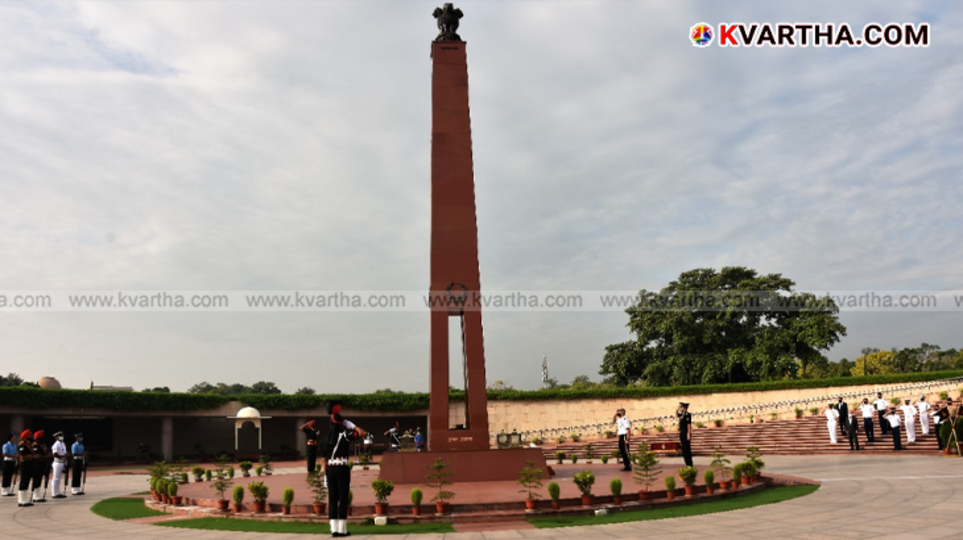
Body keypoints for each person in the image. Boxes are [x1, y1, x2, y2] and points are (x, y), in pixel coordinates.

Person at [321, 401, 368, 538]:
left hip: (330, 470)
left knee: (332, 499)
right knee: (343, 498)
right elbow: (362, 433)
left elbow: (323, 460)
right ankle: (342, 530)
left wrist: (325, 476)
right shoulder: (345, 436)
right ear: (341, 425)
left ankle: (333, 530)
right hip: (342, 469)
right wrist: (349, 424)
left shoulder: (324, 441)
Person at [17, 429, 35, 507]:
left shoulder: (28, 444)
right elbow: (23, 456)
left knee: (27, 481)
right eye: (30, 435)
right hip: (24, 465)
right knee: (24, 481)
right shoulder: (22, 445)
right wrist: (32, 456)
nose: (31, 437)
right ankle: (21, 500)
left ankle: (24, 499)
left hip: (29, 465)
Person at [31, 430, 48, 503]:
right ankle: (35, 495)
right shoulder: (35, 445)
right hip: (37, 464)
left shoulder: (42, 444)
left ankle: (38, 495)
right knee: (36, 479)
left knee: (39, 479)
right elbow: (36, 455)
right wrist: (45, 456)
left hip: (42, 464)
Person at [50, 431, 68, 499]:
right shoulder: (55, 445)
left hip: (62, 462)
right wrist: (63, 456)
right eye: (60, 436)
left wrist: (66, 455)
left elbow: (64, 452)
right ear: (56, 437)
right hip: (57, 462)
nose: (62, 437)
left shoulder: (63, 443)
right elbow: (55, 454)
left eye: (62, 435)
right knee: (56, 478)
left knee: (59, 478)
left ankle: (58, 492)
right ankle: (54, 493)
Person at [678, 401, 693, 467]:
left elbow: (689, 425)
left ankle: (690, 463)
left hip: (686, 433)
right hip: (682, 433)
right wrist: (678, 407)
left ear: (685, 407)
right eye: (682, 407)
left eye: (683, 407)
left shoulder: (688, 415)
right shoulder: (681, 415)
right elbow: (676, 414)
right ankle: (686, 463)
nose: (682, 408)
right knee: (683, 449)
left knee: (687, 449)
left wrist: (689, 434)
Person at [2, 433, 16, 497]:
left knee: (10, 475)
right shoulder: (6, 445)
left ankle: (8, 490)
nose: (14, 438)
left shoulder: (14, 445)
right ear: (10, 438)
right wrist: (13, 456)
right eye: (13, 437)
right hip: (7, 461)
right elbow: (5, 454)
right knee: (6, 476)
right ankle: (4, 490)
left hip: (12, 461)